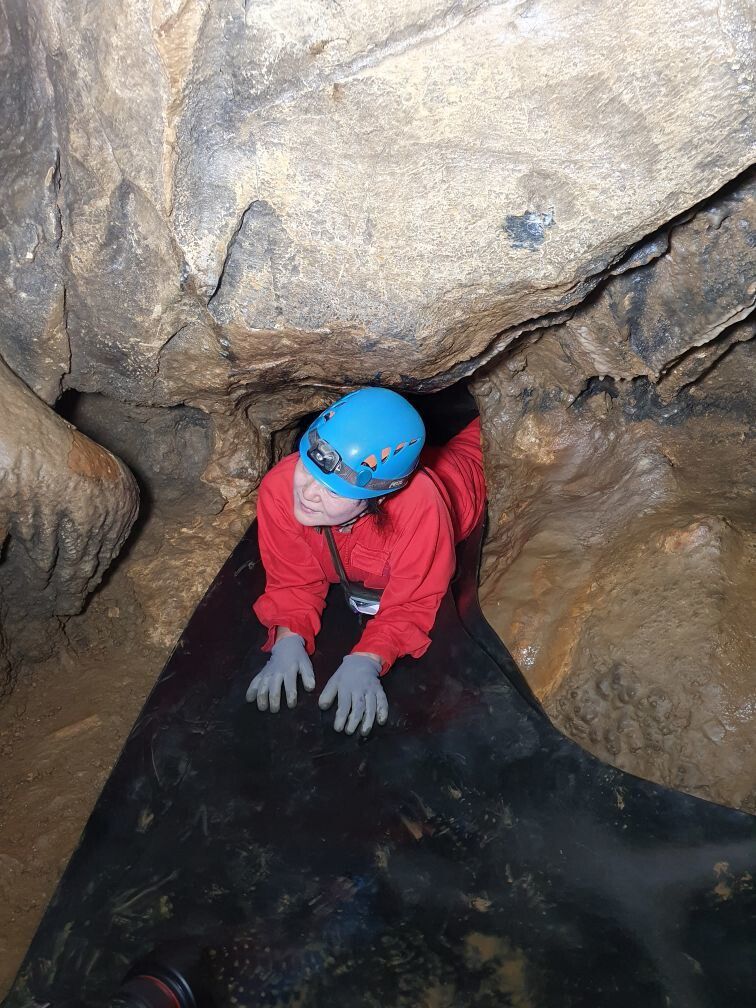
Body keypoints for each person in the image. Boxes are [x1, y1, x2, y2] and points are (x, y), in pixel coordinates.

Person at [247, 387, 486, 736]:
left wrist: (369, 657)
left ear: (380, 496)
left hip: (465, 480)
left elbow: (414, 600)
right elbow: (291, 578)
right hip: (400, 473)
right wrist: (288, 637)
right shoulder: (282, 488)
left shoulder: (419, 508)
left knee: (494, 439)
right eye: (309, 469)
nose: (308, 492)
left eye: (333, 490)